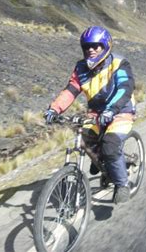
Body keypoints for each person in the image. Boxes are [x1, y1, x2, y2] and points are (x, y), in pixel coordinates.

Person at [44, 26, 136, 204]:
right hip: (95, 112)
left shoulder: (119, 63)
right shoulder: (81, 68)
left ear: (105, 45)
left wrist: (111, 109)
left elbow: (125, 87)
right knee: (84, 140)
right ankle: (101, 160)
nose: (91, 49)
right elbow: (70, 91)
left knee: (110, 145)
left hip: (121, 110)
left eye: (96, 46)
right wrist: (55, 109)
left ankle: (121, 183)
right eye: (87, 46)